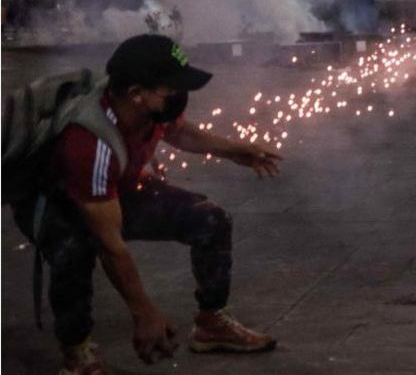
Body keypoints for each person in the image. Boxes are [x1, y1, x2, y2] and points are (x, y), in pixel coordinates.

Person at [11, 34, 283, 374]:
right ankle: (77, 353)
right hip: (58, 200)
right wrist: (144, 313)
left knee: (209, 219)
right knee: (74, 251)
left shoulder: (151, 110)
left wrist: (236, 150)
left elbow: (180, 133)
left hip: (115, 185)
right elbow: (112, 247)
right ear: (136, 93)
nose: (179, 96)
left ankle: (212, 323)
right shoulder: (89, 142)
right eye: (170, 88)